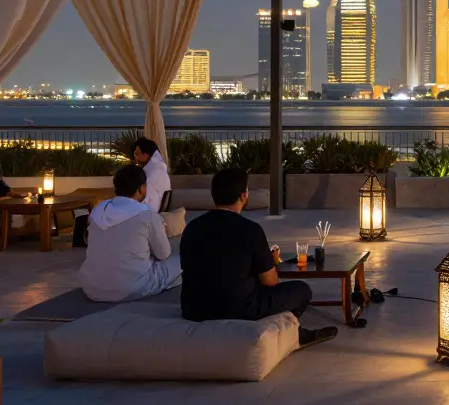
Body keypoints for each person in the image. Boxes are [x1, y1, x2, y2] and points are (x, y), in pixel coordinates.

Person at [179, 168, 337, 348]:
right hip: (240, 308)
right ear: (243, 196)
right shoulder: (250, 230)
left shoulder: (192, 228)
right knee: (302, 291)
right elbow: (271, 282)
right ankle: (294, 335)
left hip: (194, 308)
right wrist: (264, 262)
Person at [79, 164, 181, 302]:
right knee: (181, 260)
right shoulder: (147, 215)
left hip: (92, 287)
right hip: (132, 287)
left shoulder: (98, 210)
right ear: (141, 188)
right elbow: (163, 254)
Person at [132, 137, 171, 213]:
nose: (135, 157)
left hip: (150, 213)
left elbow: (148, 202)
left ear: (146, 154)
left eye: (137, 154)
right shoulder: (157, 168)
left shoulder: (154, 172)